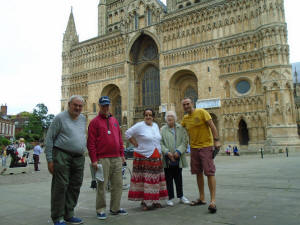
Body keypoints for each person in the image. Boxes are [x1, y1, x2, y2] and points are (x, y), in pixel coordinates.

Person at [45, 95, 86, 225]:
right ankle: (57, 217)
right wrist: (50, 160)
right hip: (62, 155)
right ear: (69, 104)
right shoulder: (60, 118)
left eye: (80, 106)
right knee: (60, 186)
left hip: (79, 157)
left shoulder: (83, 118)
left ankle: (69, 214)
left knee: (75, 186)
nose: (78, 108)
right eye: (75, 105)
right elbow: (49, 139)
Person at [87, 96, 127, 220]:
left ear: (110, 105)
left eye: (107, 105)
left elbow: (120, 139)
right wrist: (94, 159)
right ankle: (100, 209)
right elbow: (91, 143)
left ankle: (115, 208)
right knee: (102, 185)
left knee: (118, 184)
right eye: (103, 105)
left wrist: (122, 155)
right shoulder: (94, 122)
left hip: (116, 158)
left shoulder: (115, 121)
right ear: (99, 106)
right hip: (102, 158)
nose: (105, 107)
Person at [181, 97, 221, 213]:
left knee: (209, 172)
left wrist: (217, 140)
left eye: (188, 104)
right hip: (194, 148)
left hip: (206, 146)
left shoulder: (202, 112)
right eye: (184, 105)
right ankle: (202, 198)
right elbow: (180, 128)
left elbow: (212, 126)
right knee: (198, 172)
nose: (186, 106)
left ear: (192, 103)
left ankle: (213, 201)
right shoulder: (185, 118)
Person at [125, 108, 168, 210]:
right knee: (145, 180)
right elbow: (127, 133)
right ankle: (145, 202)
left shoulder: (156, 126)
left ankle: (155, 200)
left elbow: (157, 140)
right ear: (144, 116)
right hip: (144, 157)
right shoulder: (140, 125)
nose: (148, 117)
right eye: (146, 115)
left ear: (153, 116)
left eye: (150, 115)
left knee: (155, 180)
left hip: (156, 157)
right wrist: (135, 143)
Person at [161, 111, 190, 207]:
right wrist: (167, 152)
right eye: (168, 117)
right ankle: (169, 197)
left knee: (178, 178)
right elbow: (160, 143)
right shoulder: (163, 129)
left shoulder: (180, 128)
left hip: (178, 157)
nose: (169, 119)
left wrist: (179, 151)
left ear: (175, 119)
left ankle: (181, 196)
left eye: (171, 117)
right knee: (168, 178)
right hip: (167, 158)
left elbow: (185, 141)